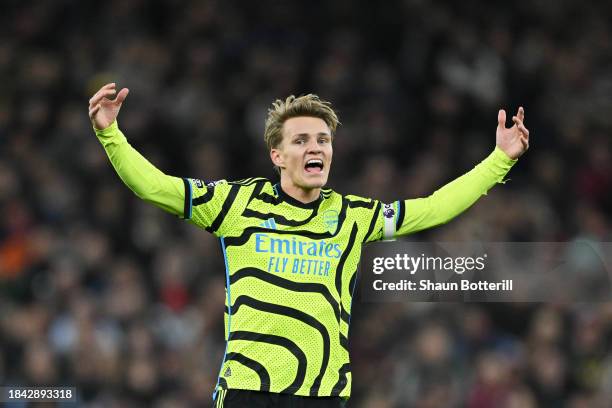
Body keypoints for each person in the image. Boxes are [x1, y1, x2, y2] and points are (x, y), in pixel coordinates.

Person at [88, 82, 529, 407]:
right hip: (247, 390)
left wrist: (499, 160)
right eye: (301, 140)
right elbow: (155, 187)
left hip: (321, 394)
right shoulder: (236, 203)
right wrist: (110, 134)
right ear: (277, 155)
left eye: (323, 140)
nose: (315, 147)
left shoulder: (354, 216)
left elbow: (433, 208)